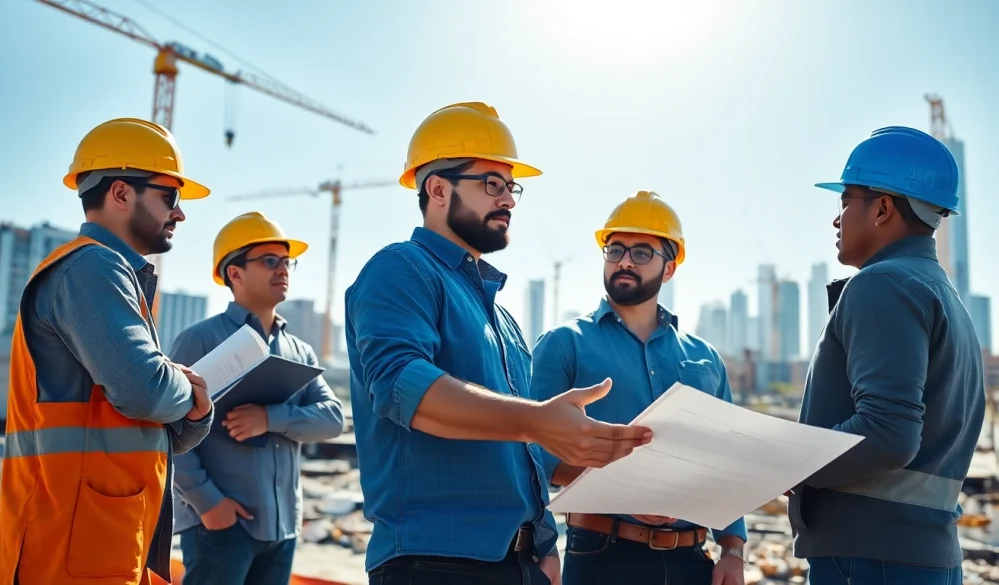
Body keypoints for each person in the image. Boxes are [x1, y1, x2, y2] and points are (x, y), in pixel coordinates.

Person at [344, 102, 653, 585]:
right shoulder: (400, 268)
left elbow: (521, 452)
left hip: (520, 565)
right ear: (438, 189)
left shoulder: (502, 320)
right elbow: (401, 386)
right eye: (492, 183)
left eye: (511, 187)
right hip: (434, 566)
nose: (508, 198)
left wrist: (546, 543)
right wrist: (537, 420)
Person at [0, 117, 214, 585]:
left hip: (94, 543)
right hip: (68, 550)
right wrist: (183, 386)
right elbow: (145, 392)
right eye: (170, 196)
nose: (180, 214)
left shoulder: (111, 275)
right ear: (121, 194)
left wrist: (188, 411)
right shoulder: (92, 268)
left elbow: (151, 422)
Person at [788, 126, 985, 585]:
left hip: (868, 560)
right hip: (923, 557)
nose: (836, 220)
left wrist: (791, 464)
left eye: (845, 202)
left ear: (881, 208)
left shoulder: (882, 284)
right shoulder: (943, 295)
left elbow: (889, 433)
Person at [529, 191, 747, 585]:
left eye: (642, 252)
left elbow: (725, 459)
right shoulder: (564, 345)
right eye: (615, 250)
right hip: (603, 558)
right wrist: (624, 491)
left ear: (669, 269)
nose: (625, 261)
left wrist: (732, 550)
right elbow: (532, 456)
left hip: (694, 561)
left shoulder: (706, 358)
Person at [168, 211, 346, 585]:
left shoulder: (299, 350)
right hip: (220, 525)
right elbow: (168, 432)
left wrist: (270, 418)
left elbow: (331, 419)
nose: (282, 269)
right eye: (269, 261)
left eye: (286, 261)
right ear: (234, 273)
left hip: (282, 528)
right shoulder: (200, 340)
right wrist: (208, 503)